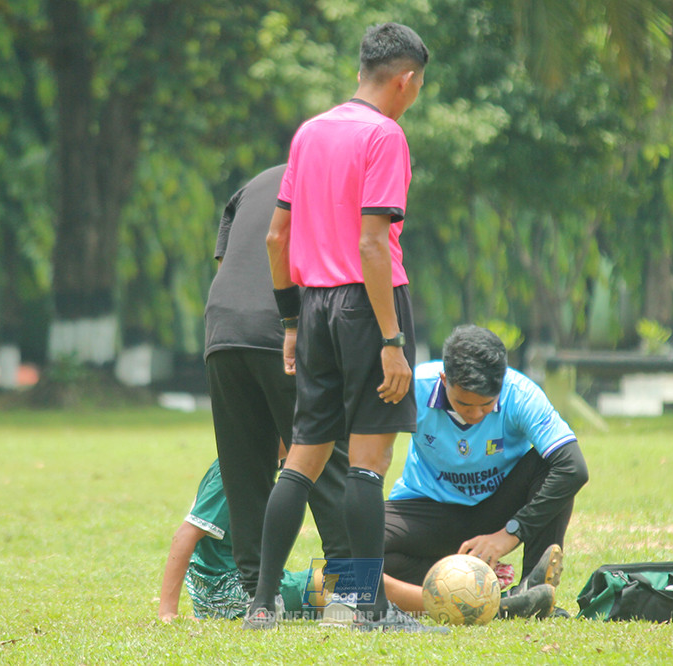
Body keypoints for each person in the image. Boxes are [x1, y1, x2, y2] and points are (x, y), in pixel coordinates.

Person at [244, 23, 440, 633]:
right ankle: (365, 606)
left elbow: (277, 236)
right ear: (404, 80)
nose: (415, 96)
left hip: (315, 304)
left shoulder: (310, 133)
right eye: (419, 86)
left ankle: (261, 603)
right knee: (368, 464)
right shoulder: (386, 135)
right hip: (367, 306)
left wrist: (292, 323)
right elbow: (373, 243)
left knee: (301, 460)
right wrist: (390, 340)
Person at [204, 164, 351, 600]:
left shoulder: (251, 185)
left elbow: (225, 263)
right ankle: (352, 596)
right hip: (286, 328)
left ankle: (258, 600)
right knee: (328, 462)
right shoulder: (338, 179)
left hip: (223, 331)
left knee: (244, 470)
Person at [381, 325, 589, 619]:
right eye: (464, 403)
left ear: (502, 384)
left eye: (486, 405)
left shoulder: (521, 394)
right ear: (444, 379)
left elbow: (574, 468)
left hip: (498, 509)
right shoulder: (414, 387)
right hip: (427, 510)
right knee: (357, 546)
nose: (475, 415)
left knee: (553, 466)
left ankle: (531, 585)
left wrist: (509, 534)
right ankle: (495, 601)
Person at [157, 459, 318, 620]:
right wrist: (167, 612)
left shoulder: (237, 458)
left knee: (330, 578)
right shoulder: (240, 468)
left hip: (226, 590)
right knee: (335, 582)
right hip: (232, 593)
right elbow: (185, 533)